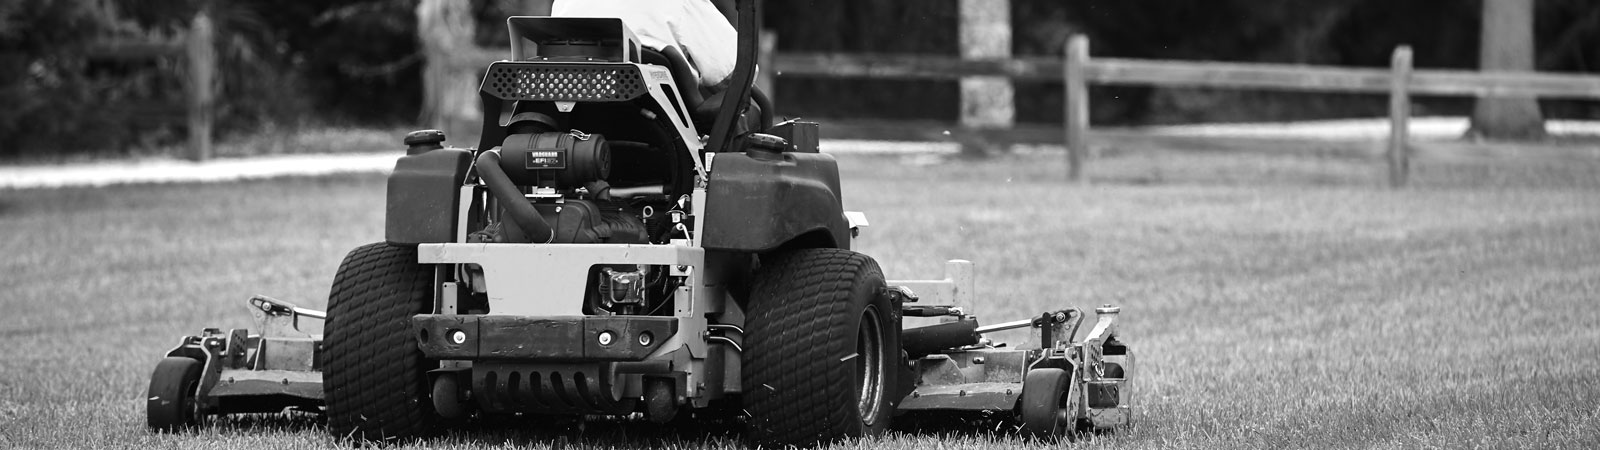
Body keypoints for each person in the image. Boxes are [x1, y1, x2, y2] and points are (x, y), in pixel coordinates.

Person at [551, 0, 736, 87]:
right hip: (658, 128)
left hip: (576, 115)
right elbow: (730, 69)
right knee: (747, 109)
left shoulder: (564, 2)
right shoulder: (682, 2)